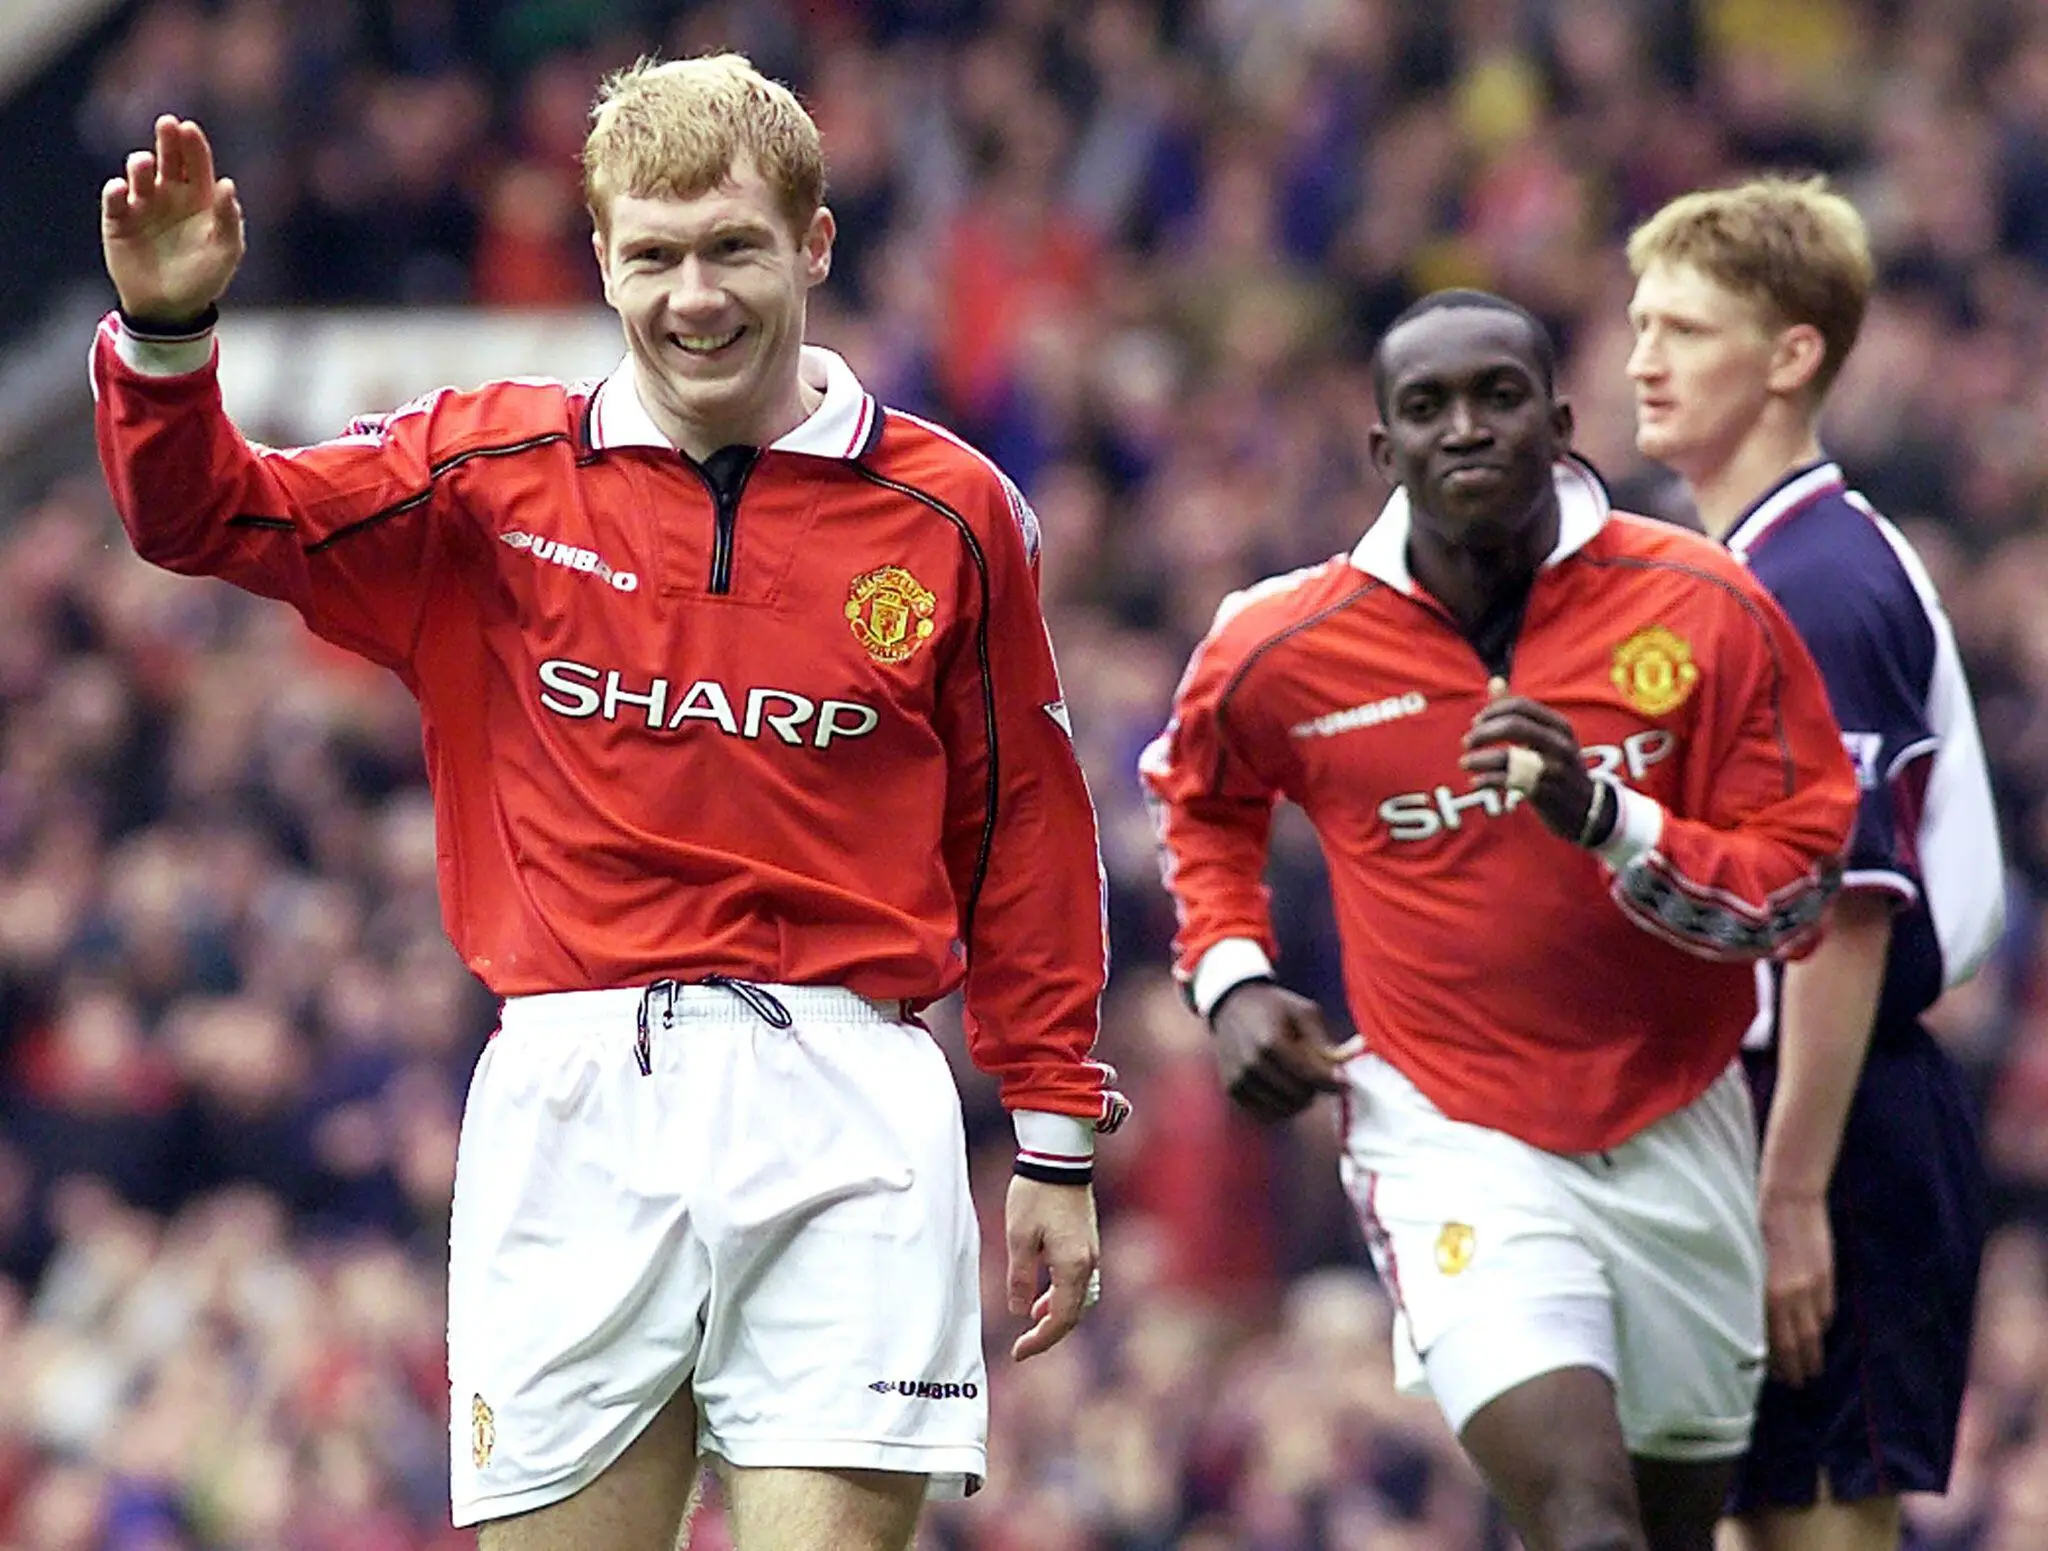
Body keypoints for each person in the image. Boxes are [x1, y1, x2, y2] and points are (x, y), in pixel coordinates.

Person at [93, 55, 1127, 1551]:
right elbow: (213, 514)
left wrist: (1053, 1137)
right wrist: (172, 335)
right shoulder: (485, 470)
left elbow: (1026, 827)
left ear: (816, 246)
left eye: (732, 249)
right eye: (652, 255)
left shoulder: (951, 510)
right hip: (575, 1099)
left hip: (849, 1101)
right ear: (601, 259)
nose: (692, 296)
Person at [1140, 289, 1861, 1551]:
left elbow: (1798, 885)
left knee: (1662, 1530)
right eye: (1426, 407)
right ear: (1382, 449)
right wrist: (1233, 979)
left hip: (1679, 1118)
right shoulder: (1282, 643)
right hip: (1447, 1128)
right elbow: (1196, 801)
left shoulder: (1702, 603)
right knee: (1583, 1519)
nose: (1464, 428)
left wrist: (1607, 818)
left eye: (1497, 396)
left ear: (1562, 422)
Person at [1626, 178, 2003, 1551]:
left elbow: (1844, 909)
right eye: (1638, 323)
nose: (1641, 360)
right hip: (1768, 1114)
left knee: (1824, 1520)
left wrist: (1789, 1194)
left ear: (1793, 354)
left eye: (1684, 326)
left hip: (1832, 1119)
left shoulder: (1823, 579)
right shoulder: (1739, 565)